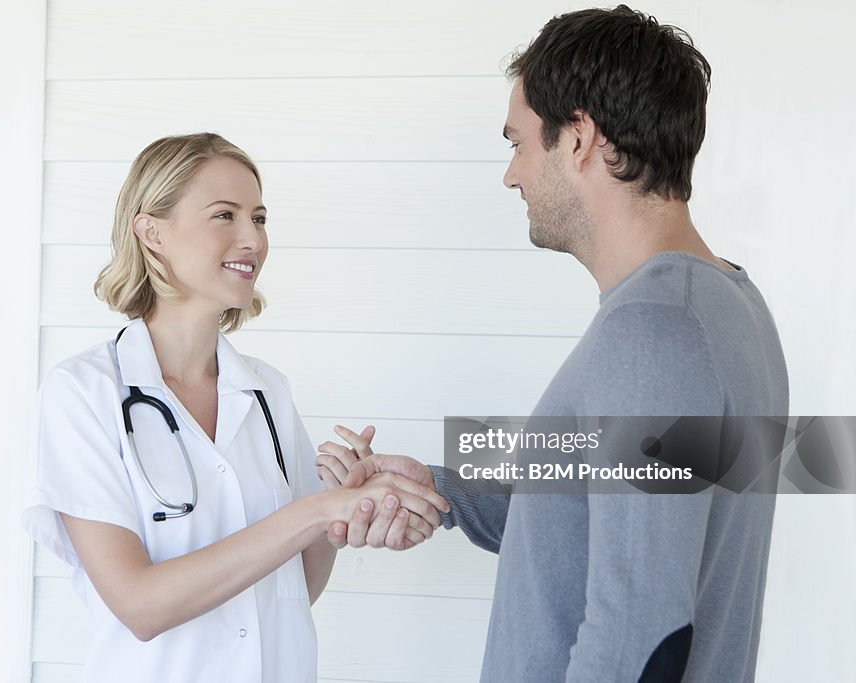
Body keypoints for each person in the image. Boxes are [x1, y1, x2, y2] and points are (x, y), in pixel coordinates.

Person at [317, 6, 788, 683]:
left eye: (518, 142)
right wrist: (441, 487)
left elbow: (642, 632)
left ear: (579, 138)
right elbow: (596, 515)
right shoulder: (725, 306)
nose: (512, 174)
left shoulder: (652, 331)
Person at [21, 133, 449, 683]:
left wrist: (342, 512)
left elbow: (295, 587)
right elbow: (140, 605)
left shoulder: (267, 391)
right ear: (151, 231)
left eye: (260, 218)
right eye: (225, 215)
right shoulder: (84, 393)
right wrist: (314, 512)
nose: (253, 238)